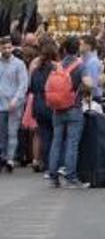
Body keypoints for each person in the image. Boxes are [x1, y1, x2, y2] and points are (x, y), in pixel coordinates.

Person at [47, 37, 89, 187]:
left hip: (57, 108)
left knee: (56, 141)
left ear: (65, 49)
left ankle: (53, 176)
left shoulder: (57, 66)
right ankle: (71, 176)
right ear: (77, 48)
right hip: (74, 108)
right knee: (72, 142)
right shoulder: (80, 65)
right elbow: (88, 82)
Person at [29, 41, 58, 174]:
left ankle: (46, 164)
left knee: (44, 135)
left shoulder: (36, 70)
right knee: (56, 135)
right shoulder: (56, 69)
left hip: (38, 104)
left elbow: (32, 88)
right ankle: (54, 165)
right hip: (52, 104)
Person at [0, 36, 28, 171]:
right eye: (4, 47)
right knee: (1, 132)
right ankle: (3, 156)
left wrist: (16, 100)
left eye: (9, 47)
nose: (7, 50)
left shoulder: (19, 64)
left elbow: (23, 84)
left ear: (12, 47)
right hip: (1, 103)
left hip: (14, 103)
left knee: (12, 132)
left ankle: (10, 159)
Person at [80, 35, 103, 100]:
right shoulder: (85, 59)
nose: (79, 47)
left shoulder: (93, 62)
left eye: (81, 44)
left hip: (92, 97)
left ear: (88, 46)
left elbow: (93, 84)